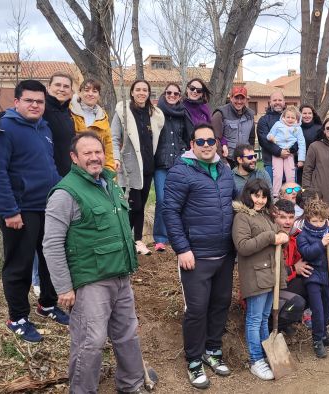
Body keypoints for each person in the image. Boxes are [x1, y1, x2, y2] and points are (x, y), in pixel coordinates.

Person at [43, 132, 145, 393]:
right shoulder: (65, 193)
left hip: (121, 275)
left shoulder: (110, 183)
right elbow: (51, 244)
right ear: (74, 158)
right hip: (91, 280)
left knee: (127, 334)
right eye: (87, 153)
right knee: (90, 341)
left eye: (98, 152)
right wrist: (64, 287)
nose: (94, 157)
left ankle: (131, 385)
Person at [163, 123, 235, 389]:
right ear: (192, 145)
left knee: (220, 303)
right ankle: (194, 359)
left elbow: (236, 205)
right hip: (196, 255)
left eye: (210, 141)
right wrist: (182, 248)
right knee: (196, 309)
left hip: (225, 254)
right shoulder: (181, 172)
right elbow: (169, 212)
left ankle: (213, 351)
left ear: (216, 143)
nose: (206, 146)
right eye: (200, 142)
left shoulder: (225, 170)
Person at [0, 79, 68, 343]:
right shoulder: (5, 128)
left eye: (39, 101)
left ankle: (47, 304)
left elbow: (48, 167)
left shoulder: (44, 128)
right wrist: (8, 211)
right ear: (16, 102)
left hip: (47, 206)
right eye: (29, 100)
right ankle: (17, 318)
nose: (35, 105)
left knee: (49, 257)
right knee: (20, 263)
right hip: (20, 209)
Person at [232, 179, 289, 380]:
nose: (260, 200)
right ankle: (255, 360)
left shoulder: (264, 215)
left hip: (269, 274)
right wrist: (270, 238)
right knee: (255, 319)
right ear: (248, 194)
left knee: (264, 318)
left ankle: (267, 357)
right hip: (255, 275)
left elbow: (274, 236)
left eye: (264, 196)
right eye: (256, 196)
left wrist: (281, 234)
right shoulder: (242, 217)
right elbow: (243, 246)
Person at [111, 79, 165, 255]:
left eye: (145, 90)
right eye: (138, 90)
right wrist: (116, 158)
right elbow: (114, 138)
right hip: (130, 166)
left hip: (148, 166)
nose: (142, 93)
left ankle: (138, 240)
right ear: (132, 92)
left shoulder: (154, 114)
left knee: (140, 205)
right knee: (132, 204)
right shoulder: (123, 112)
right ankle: (126, 239)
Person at [296, 198, 329, 359]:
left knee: (327, 307)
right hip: (313, 277)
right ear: (308, 219)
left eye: (321, 220)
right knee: (317, 309)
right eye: (314, 221)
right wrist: (322, 243)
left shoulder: (328, 231)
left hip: (328, 275)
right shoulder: (303, 236)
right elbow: (307, 253)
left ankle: (324, 334)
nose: (318, 224)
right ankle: (317, 340)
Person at [152, 83, 191, 252]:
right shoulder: (155, 112)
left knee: (180, 199)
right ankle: (161, 237)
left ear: (180, 96)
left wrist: (184, 153)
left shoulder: (183, 114)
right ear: (164, 93)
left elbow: (188, 136)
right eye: (169, 92)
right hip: (160, 162)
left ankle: (178, 234)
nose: (172, 95)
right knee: (162, 199)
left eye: (176, 93)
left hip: (178, 163)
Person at [272, 199, 309, 333]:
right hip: (268, 291)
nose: (288, 222)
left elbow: (300, 260)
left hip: (284, 284)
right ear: (274, 217)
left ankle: (289, 320)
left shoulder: (293, 238)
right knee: (297, 302)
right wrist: (293, 269)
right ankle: (273, 327)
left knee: (313, 284)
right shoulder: (269, 239)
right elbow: (272, 275)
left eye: (291, 217)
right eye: (282, 217)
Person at [69, 78, 115, 171]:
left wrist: (110, 171)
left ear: (98, 95)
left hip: (95, 168)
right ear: (80, 92)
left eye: (94, 91)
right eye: (86, 90)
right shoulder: (69, 112)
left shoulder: (102, 117)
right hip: (73, 168)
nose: (90, 94)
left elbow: (108, 146)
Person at [267, 105, 306, 197]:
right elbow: (269, 135)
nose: (290, 119)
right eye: (288, 117)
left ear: (296, 119)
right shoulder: (278, 124)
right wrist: (271, 138)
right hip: (277, 152)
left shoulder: (298, 129)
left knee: (290, 174)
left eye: (293, 117)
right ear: (283, 117)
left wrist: (301, 159)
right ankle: (276, 195)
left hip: (289, 154)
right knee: (277, 174)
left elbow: (301, 143)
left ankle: (291, 194)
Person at [211, 86, 255, 167]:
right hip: (227, 160)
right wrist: (223, 161)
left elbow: (251, 139)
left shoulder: (250, 115)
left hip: (244, 160)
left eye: (242, 98)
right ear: (231, 98)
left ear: (246, 99)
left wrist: (250, 156)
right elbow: (215, 139)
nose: (239, 101)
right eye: (236, 98)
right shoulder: (220, 114)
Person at [257, 91, 294, 182]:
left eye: (280, 100)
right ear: (270, 103)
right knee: (272, 192)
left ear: (284, 102)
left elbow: (297, 137)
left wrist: (290, 150)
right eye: (275, 100)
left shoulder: (292, 118)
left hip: (289, 160)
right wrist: (279, 151)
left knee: (290, 191)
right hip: (270, 163)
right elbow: (263, 140)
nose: (277, 102)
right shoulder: (264, 120)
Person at [44, 72, 75, 176]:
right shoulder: (40, 110)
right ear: (48, 87)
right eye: (57, 85)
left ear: (71, 91)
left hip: (67, 176)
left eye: (66, 86)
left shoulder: (69, 113)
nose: (61, 89)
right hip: (47, 176)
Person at [297, 104, 322, 181]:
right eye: (304, 113)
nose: (307, 115)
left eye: (309, 113)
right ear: (300, 114)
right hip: (299, 164)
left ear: (313, 114)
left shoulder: (319, 128)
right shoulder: (295, 128)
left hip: (315, 164)